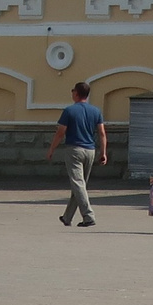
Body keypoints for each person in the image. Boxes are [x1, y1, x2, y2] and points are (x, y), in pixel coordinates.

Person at [44, 81, 107, 227]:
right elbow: (102, 133)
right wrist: (103, 152)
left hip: (74, 150)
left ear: (76, 93)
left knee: (78, 184)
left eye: (73, 91)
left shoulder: (69, 111)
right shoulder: (96, 111)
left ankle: (88, 216)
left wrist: (51, 149)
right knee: (79, 185)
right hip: (90, 150)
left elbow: (60, 133)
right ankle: (67, 217)